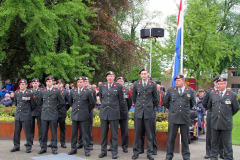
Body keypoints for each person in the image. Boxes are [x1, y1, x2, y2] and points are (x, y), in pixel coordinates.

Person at [163, 75, 195, 160]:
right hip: (174, 118)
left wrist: (185, 110)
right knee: (171, 138)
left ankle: (186, 156)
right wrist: (173, 110)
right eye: (176, 80)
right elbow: (165, 102)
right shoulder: (171, 90)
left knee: (185, 138)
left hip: (184, 118)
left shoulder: (190, 91)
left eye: (179, 80)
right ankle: (169, 156)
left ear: (183, 81)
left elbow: (192, 104)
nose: (177, 82)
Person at [207, 77, 239, 160]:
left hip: (226, 124)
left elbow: (236, 108)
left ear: (225, 84)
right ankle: (213, 158)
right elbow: (210, 106)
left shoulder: (232, 95)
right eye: (218, 83)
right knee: (214, 144)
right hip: (215, 123)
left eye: (221, 83)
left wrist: (227, 115)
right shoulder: (213, 94)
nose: (219, 85)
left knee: (227, 145)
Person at [132, 68, 159, 160]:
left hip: (148, 112)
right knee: (137, 133)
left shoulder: (153, 85)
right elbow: (134, 97)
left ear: (148, 74)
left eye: (145, 73)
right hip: (139, 112)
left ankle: (150, 153)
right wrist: (138, 106)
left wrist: (152, 108)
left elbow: (156, 98)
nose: (144, 75)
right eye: (142, 74)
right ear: (140, 75)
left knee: (150, 133)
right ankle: (136, 152)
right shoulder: (136, 84)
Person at [98, 71, 123, 159]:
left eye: (112, 76)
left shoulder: (118, 87)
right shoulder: (102, 86)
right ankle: (103, 151)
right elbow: (101, 98)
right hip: (104, 113)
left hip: (114, 113)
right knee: (103, 134)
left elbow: (121, 100)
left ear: (114, 77)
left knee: (114, 134)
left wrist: (115, 108)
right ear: (106, 77)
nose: (110, 77)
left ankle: (114, 152)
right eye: (108, 76)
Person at [68, 77, 95, 156]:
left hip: (84, 115)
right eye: (78, 82)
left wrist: (86, 110)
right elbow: (70, 102)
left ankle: (86, 149)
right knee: (74, 134)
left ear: (84, 83)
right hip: (75, 115)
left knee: (85, 134)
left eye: (81, 82)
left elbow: (92, 103)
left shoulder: (88, 92)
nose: (80, 83)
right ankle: (73, 149)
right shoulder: (73, 91)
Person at [38, 76, 65, 155]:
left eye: (50, 81)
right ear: (46, 82)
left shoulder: (56, 91)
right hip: (44, 114)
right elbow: (39, 102)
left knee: (53, 132)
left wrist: (55, 108)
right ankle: (43, 148)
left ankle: (54, 148)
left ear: (53, 82)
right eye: (47, 81)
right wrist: (43, 109)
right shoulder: (43, 91)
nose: (49, 83)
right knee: (44, 132)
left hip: (53, 114)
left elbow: (62, 102)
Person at [10, 79, 36, 153]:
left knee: (27, 132)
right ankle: (16, 146)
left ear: (26, 85)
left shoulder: (30, 93)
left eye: (23, 84)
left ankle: (28, 146)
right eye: (20, 84)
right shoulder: (17, 92)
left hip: (26, 115)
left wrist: (28, 111)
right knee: (16, 132)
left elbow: (33, 104)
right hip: (18, 115)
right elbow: (15, 103)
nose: (21, 85)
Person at [202, 76, 225, 159]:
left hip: (221, 115)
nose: (218, 83)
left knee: (222, 133)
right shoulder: (209, 92)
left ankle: (221, 152)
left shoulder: (224, 91)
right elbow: (204, 102)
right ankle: (209, 152)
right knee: (210, 134)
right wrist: (210, 109)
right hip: (211, 114)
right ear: (214, 82)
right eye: (217, 82)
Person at [108, 77, 132, 153]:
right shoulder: (112, 89)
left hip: (123, 113)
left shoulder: (127, 91)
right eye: (118, 81)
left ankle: (125, 146)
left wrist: (125, 110)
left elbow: (129, 103)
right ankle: (112, 146)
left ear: (123, 82)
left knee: (124, 131)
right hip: (114, 113)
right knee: (113, 130)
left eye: (121, 81)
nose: (119, 82)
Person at [48, 79, 70, 148]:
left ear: (63, 84)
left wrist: (65, 109)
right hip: (54, 112)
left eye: (60, 84)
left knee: (62, 128)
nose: (59, 85)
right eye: (58, 84)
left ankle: (62, 142)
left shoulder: (65, 92)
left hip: (62, 112)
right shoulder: (54, 91)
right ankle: (53, 141)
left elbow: (69, 102)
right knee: (53, 128)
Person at [30, 78, 43, 147]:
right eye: (33, 83)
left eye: (36, 83)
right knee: (30, 127)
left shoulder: (41, 91)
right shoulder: (29, 91)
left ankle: (41, 141)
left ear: (38, 83)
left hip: (39, 111)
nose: (34, 84)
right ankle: (30, 141)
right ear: (32, 84)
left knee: (40, 127)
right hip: (31, 111)